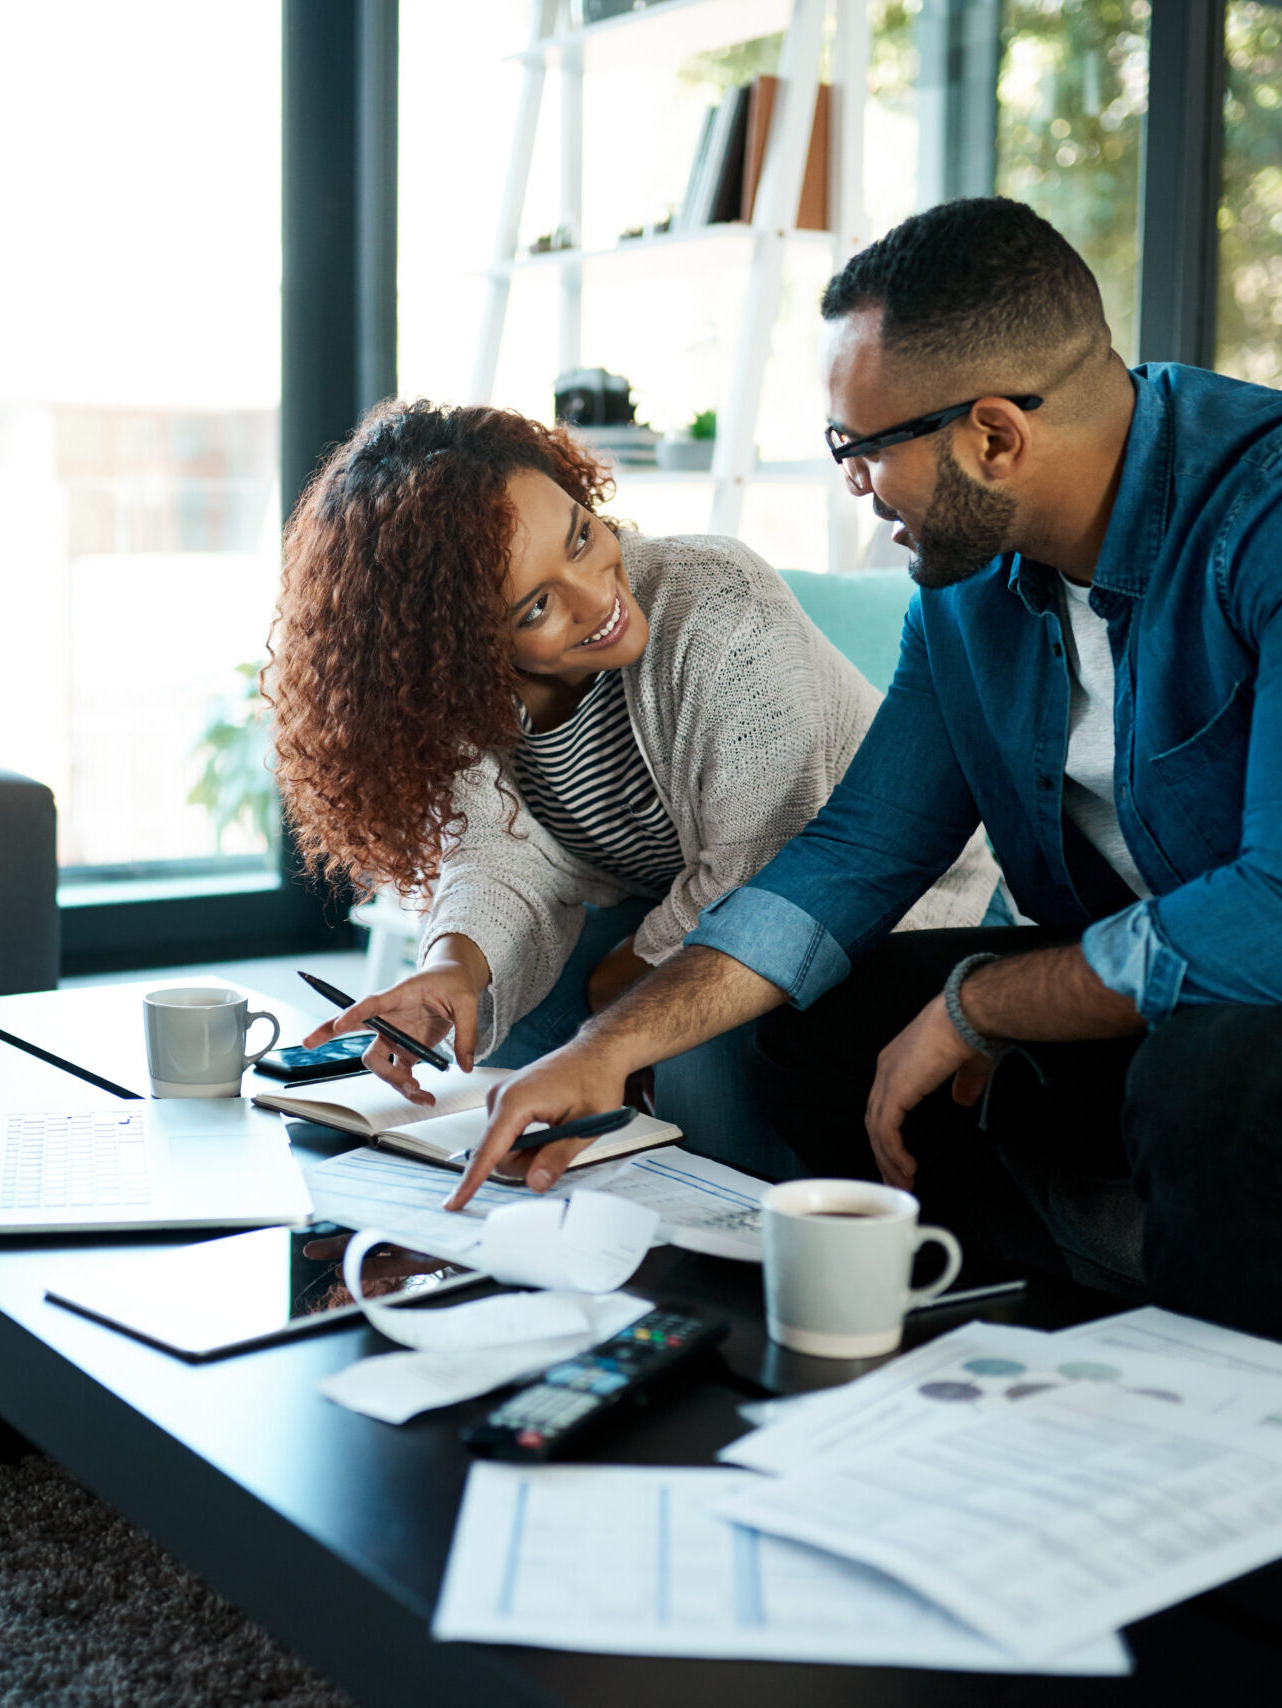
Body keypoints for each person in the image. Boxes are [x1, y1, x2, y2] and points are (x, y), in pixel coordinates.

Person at [449, 197, 1282, 1339]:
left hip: (1255, 991)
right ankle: (1008, 1317)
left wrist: (981, 1002)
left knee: (1208, 1079)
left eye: (861, 447)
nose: (852, 485)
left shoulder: (1262, 522)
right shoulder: (965, 594)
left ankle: (1214, 1416)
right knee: (819, 1027)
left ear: (993, 434)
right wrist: (605, 1050)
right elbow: (856, 853)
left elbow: (1272, 912)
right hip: (1132, 984)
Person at [268, 399, 997, 1165]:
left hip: (877, 902)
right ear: (462, 652)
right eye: (538, 606)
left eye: (582, 537)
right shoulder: (470, 701)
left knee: (694, 1045)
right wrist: (451, 970)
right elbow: (502, 858)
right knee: (505, 1022)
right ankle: (559, 1206)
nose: (596, 597)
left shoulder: (717, 608)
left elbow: (762, 878)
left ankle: (721, 1241)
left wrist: (616, 999)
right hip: (683, 900)